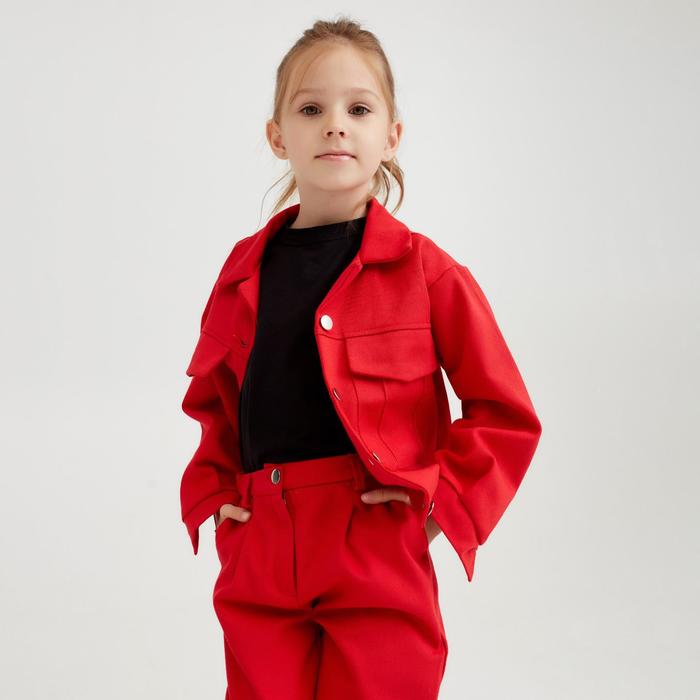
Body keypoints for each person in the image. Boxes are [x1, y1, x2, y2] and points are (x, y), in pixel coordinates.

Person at [179, 16, 542, 700]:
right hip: (261, 544)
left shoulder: (427, 272)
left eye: (359, 109)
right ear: (277, 136)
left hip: (375, 544)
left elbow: (505, 413)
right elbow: (215, 403)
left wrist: (436, 510)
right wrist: (220, 501)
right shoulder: (241, 272)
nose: (335, 127)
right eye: (311, 110)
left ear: (392, 135)